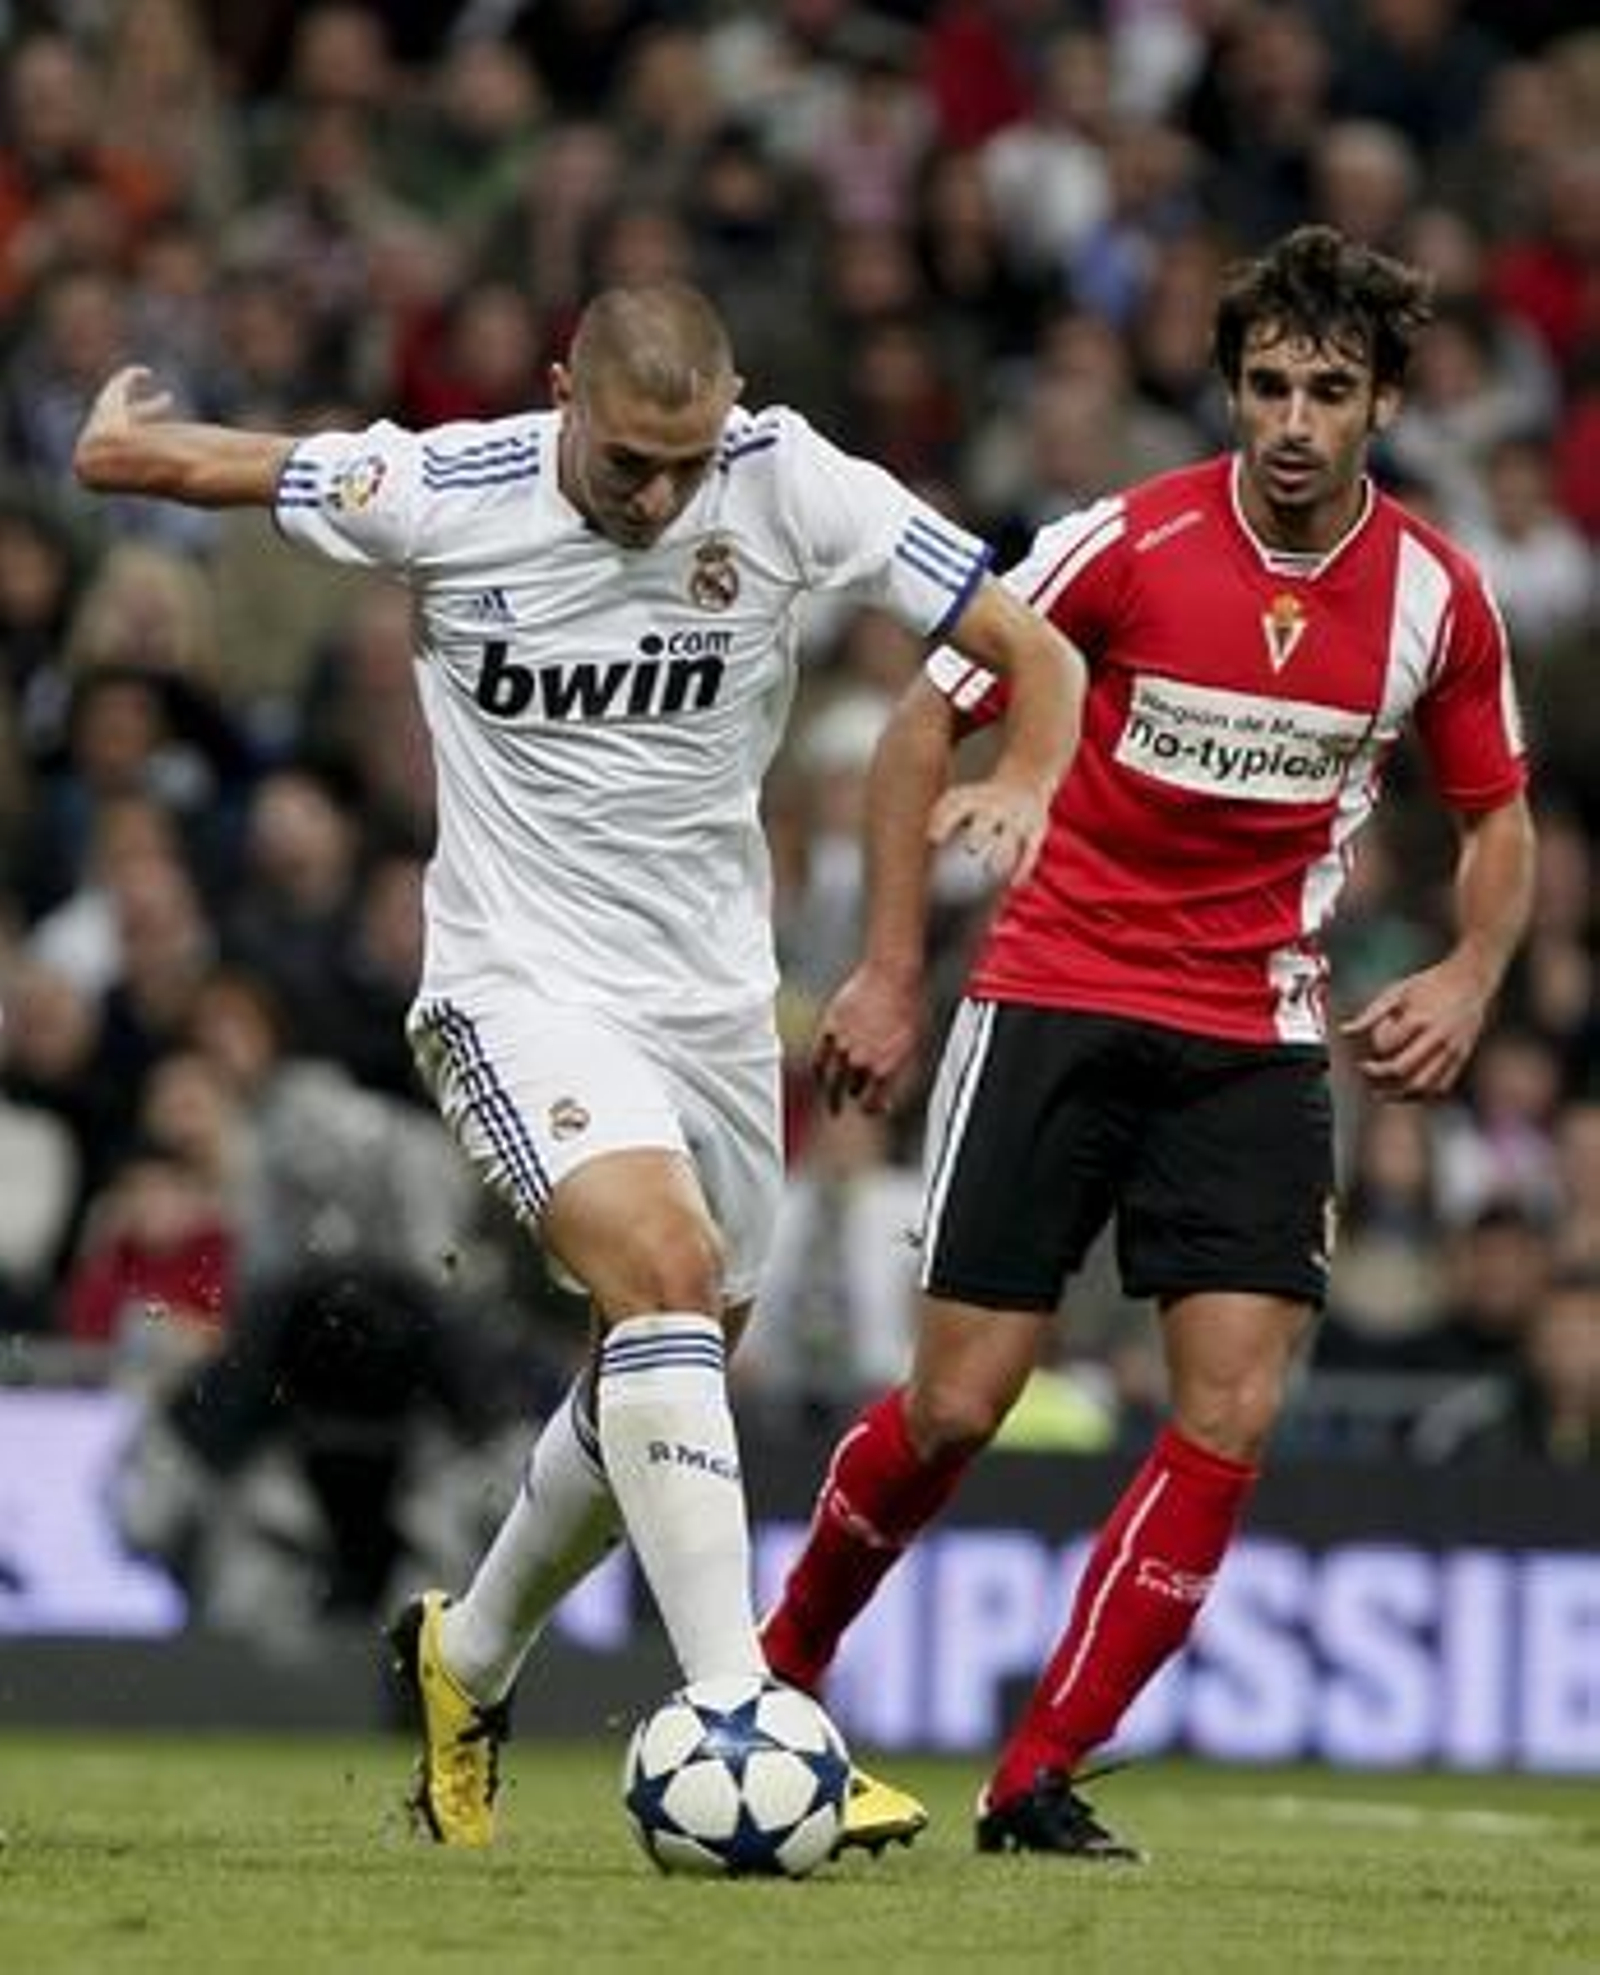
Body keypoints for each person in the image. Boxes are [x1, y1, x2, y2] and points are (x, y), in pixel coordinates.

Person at [72, 279, 1084, 1850]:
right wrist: (123, 445)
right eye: (627, 462)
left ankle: (463, 1658)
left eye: (687, 463)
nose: (662, 496)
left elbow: (1030, 642)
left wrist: (1026, 766)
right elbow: (245, 465)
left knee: (655, 1369)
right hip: (514, 989)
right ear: (561, 396)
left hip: (718, 1012)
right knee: (666, 1281)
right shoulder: (446, 489)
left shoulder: (789, 477)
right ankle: (751, 1722)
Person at [758, 225, 1536, 1859]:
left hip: (1253, 1033)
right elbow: (921, 728)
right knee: (959, 1408)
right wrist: (893, 973)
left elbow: (1497, 816)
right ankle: (776, 1668)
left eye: (1331, 389)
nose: (1296, 422)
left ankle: (1035, 1774)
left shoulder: (1437, 600)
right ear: (1232, 393)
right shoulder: (1122, 544)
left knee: (1233, 1413)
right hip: (1052, 997)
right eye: (1268, 387)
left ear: (1386, 401)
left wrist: (1472, 970)